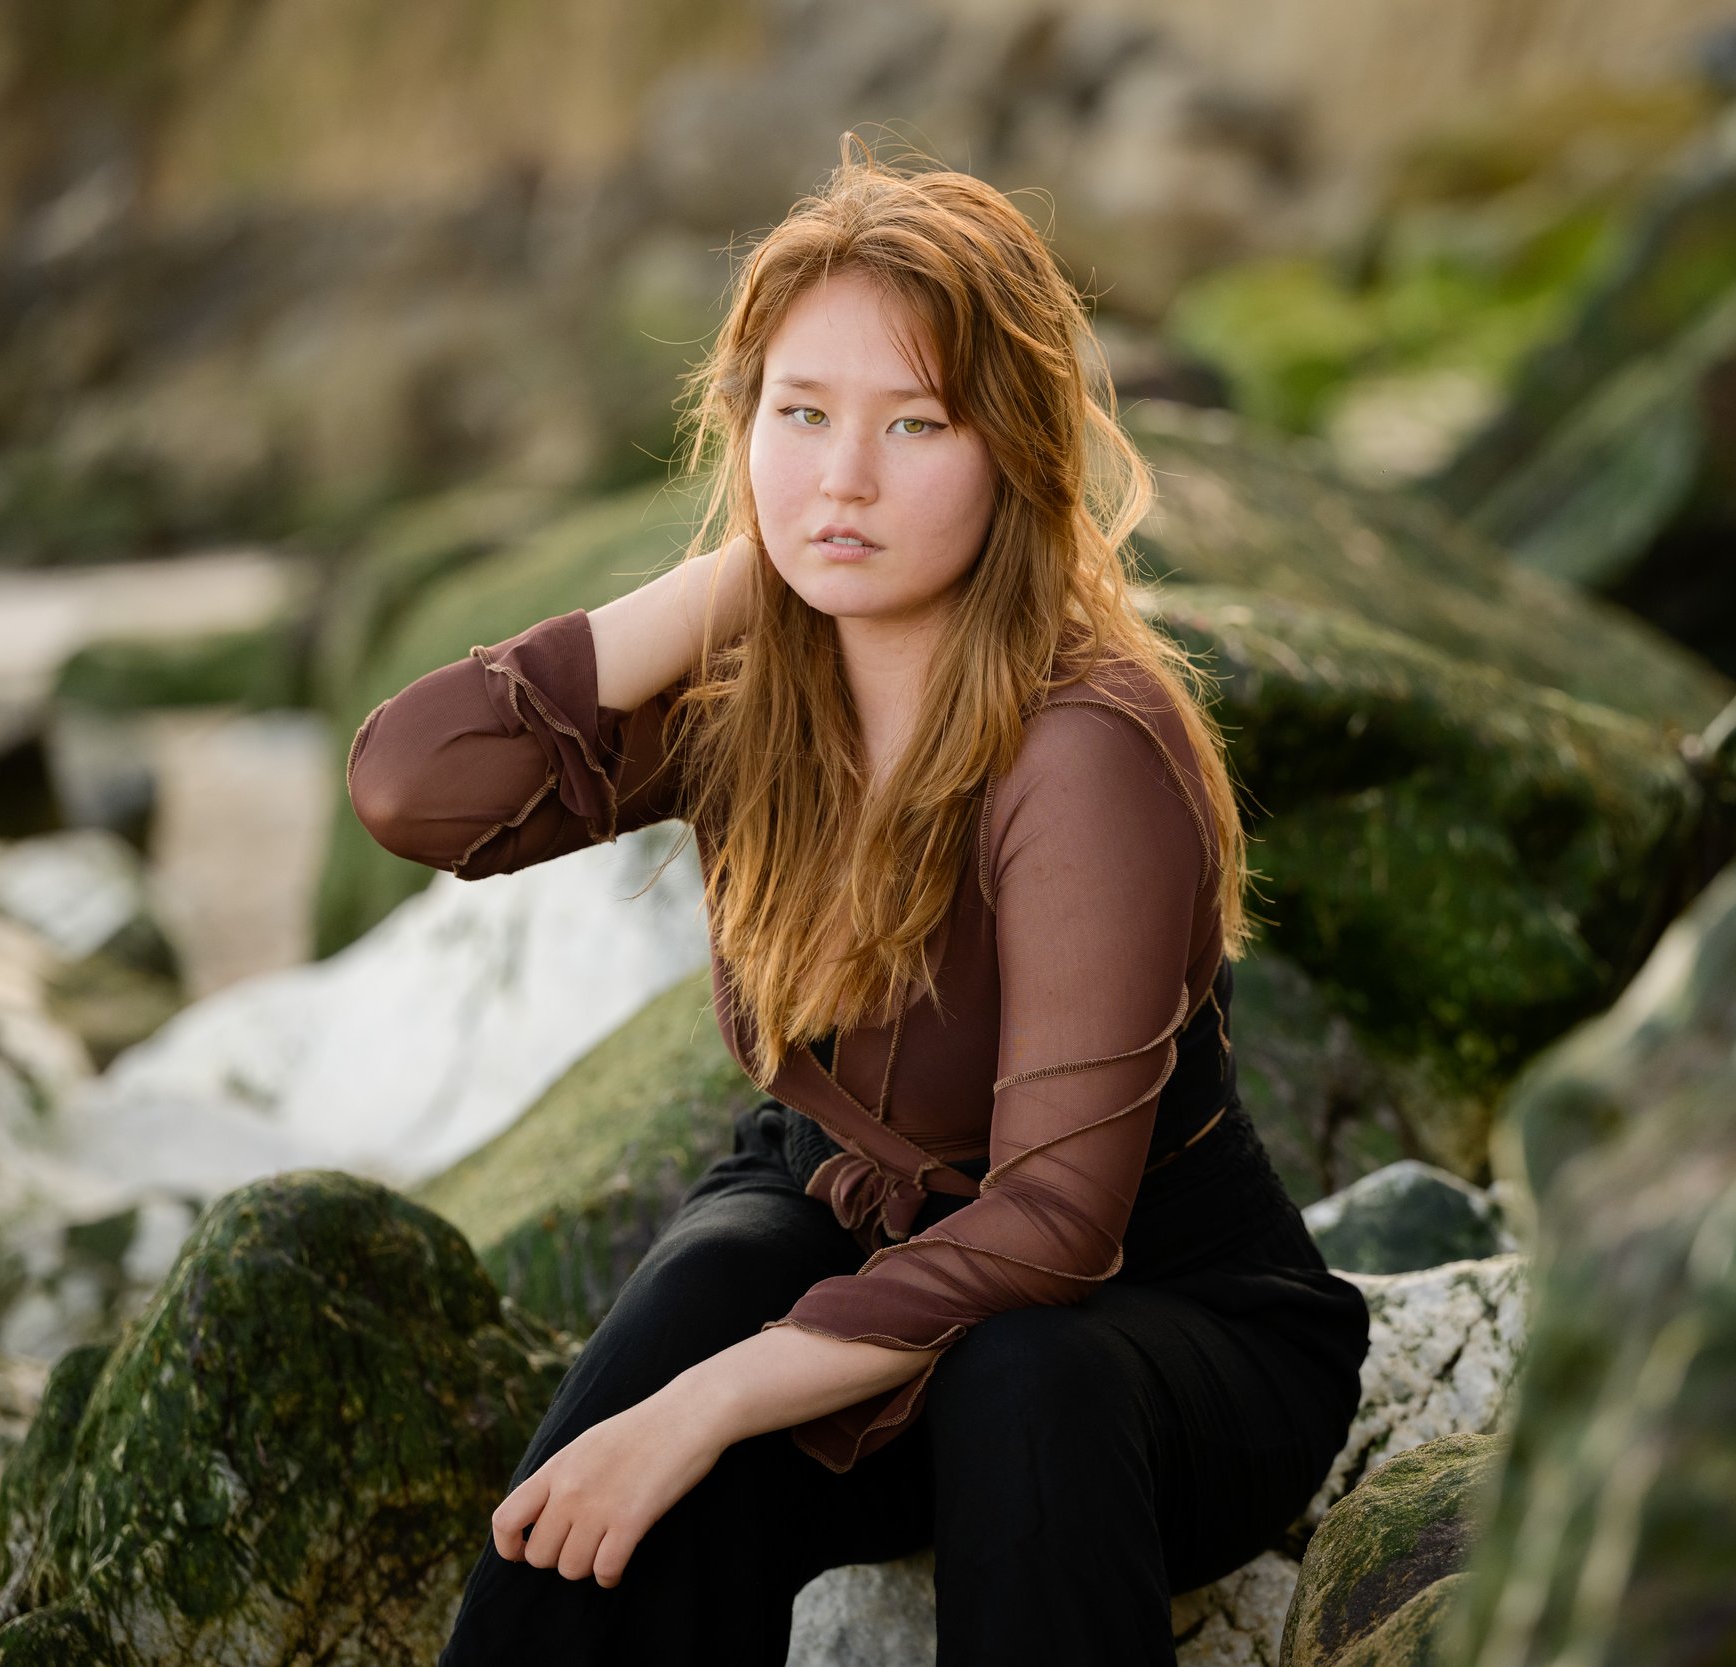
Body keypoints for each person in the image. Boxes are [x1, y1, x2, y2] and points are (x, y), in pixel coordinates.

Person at [346, 136, 1372, 1666]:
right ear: (741, 422)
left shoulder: (1085, 743)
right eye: (800, 414)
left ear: (1012, 449)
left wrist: (713, 1404)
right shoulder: (752, 688)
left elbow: (1051, 1227)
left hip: (1156, 1319)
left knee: (1016, 1374)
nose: (844, 479)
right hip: (844, 1219)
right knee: (692, 1315)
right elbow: (415, 786)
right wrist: (732, 580)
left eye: (916, 424)